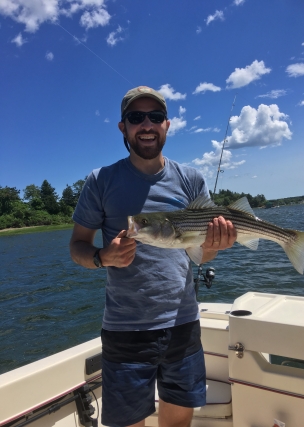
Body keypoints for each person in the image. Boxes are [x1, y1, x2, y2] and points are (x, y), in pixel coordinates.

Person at [70, 86, 237, 427]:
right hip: (125, 330)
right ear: (123, 127)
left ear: (167, 125)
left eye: (155, 117)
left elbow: (201, 257)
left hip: (183, 324)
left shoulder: (191, 179)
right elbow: (77, 246)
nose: (146, 124)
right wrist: (103, 257)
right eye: (136, 117)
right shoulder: (100, 181)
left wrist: (215, 245)